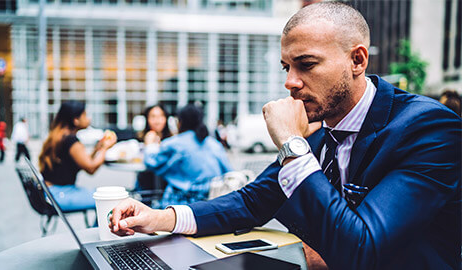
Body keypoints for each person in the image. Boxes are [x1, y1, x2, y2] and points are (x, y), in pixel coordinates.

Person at [109, 2, 461, 269]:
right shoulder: (322, 133)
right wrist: (160, 218)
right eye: (286, 67)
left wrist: (293, 145)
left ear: (357, 60)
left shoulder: (428, 128)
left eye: (306, 65)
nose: (290, 82)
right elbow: (249, 202)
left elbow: (361, 248)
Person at [143, 104, 232, 208]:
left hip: (181, 206)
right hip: (211, 204)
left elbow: (151, 163)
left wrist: (149, 144)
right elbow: (229, 172)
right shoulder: (213, 144)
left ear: (180, 122)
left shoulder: (174, 143)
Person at [39, 101, 117, 211]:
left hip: (49, 192)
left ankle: (98, 228)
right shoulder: (71, 141)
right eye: (85, 115)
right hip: (59, 194)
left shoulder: (59, 136)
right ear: (76, 120)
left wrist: (97, 149)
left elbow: (83, 162)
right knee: (106, 199)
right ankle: (98, 229)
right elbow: (91, 168)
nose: (88, 119)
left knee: (103, 195)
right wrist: (105, 148)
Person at [135, 104, 172, 192]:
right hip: (147, 183)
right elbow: (149, 163)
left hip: (166, 184)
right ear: (147, 120)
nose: (157, 121)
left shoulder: (171, 139)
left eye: (160, 116)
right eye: (153, 117)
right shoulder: (143, 137)